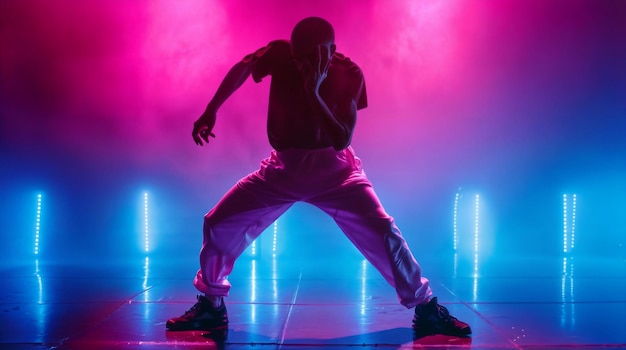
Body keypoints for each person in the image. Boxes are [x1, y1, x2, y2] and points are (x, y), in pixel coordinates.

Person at [166, 17, 471, 337]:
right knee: (217, 223)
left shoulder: (349, 74)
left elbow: (341, 138)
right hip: (282, 170)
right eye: (298, 57)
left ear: (332, 51)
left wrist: (313, 91)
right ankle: (212, 307)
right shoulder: (281, 54)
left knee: (384, 232)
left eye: (309, 57)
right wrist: (212, 108)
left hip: (334, 172)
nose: (301, 65)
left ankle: (425, 308)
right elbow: (244, 67)